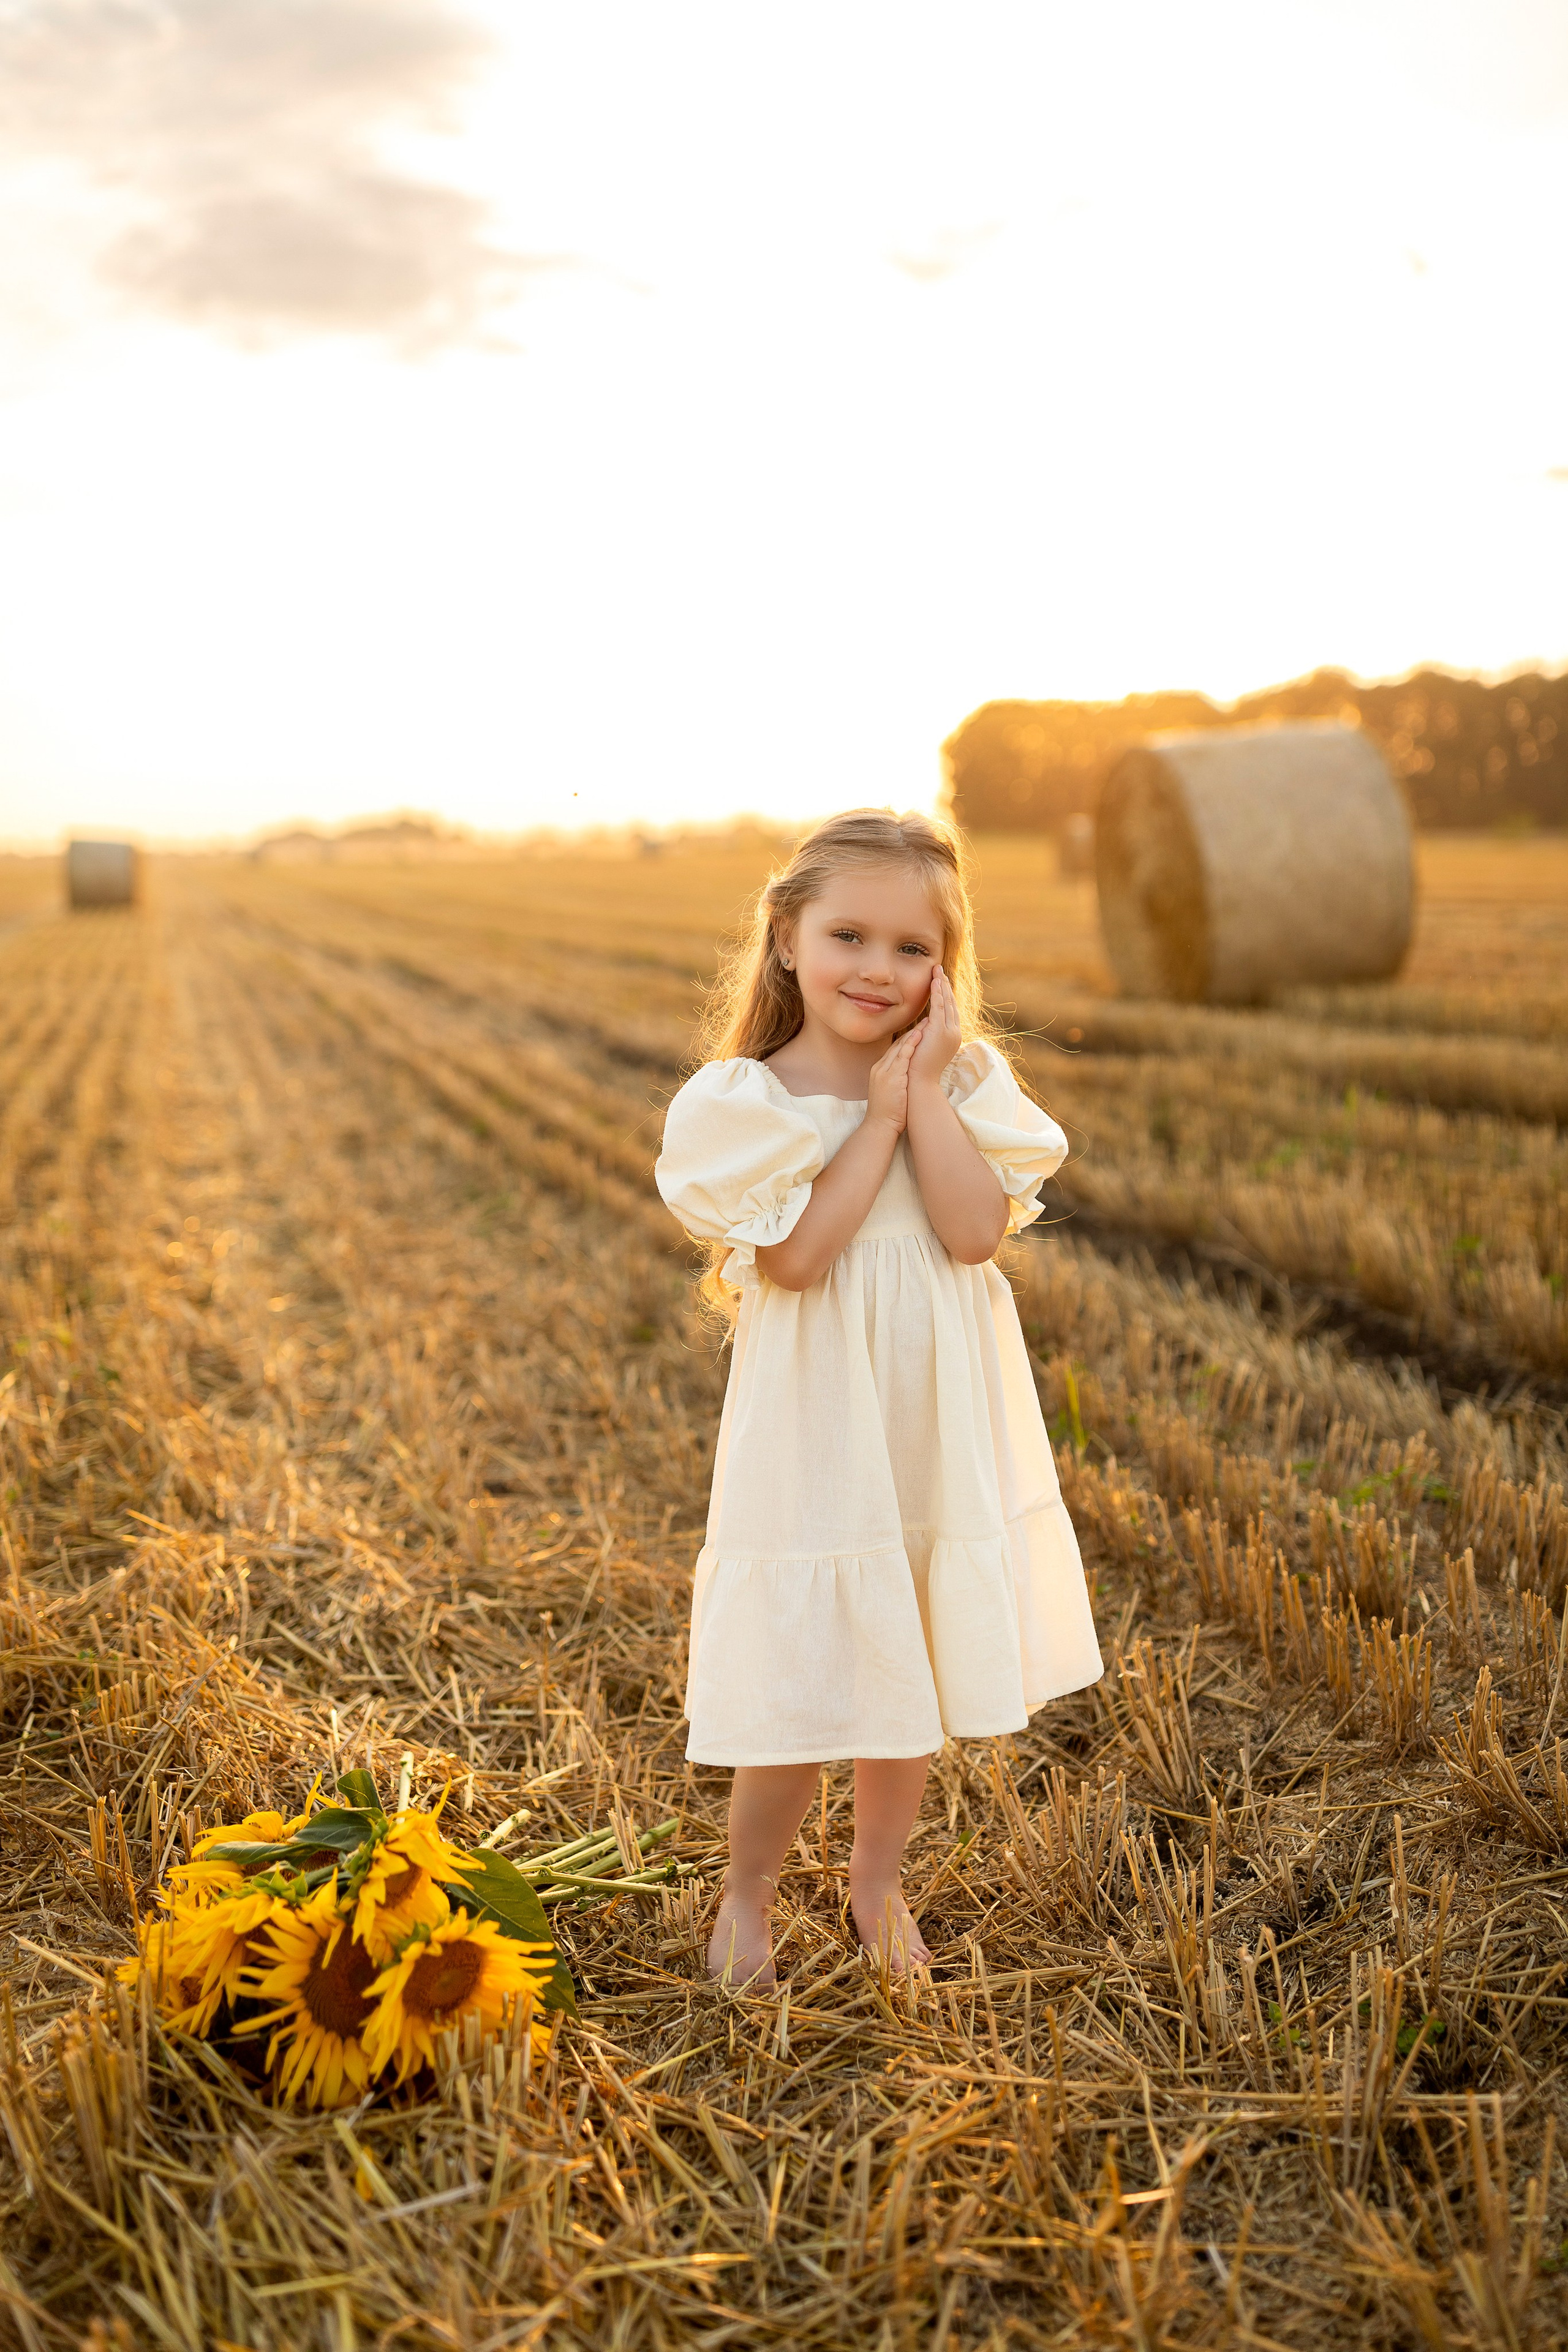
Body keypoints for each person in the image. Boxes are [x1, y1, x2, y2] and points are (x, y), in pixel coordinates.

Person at [655, 809, 1102, 1985]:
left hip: (929, 1418)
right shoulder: (745, 1099)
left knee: (906, 1672)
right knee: (813, 1670)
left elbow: (969, 1234)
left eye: (915, 949)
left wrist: (932, 1098)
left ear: (945, 972)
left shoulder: (969, 1083)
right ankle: (748, 1896)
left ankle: (874, 1886)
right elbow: (797, 1260)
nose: (880, 968)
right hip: (819, 1424)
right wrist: (883, 1120)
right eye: (850, 934)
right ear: (787, 938)